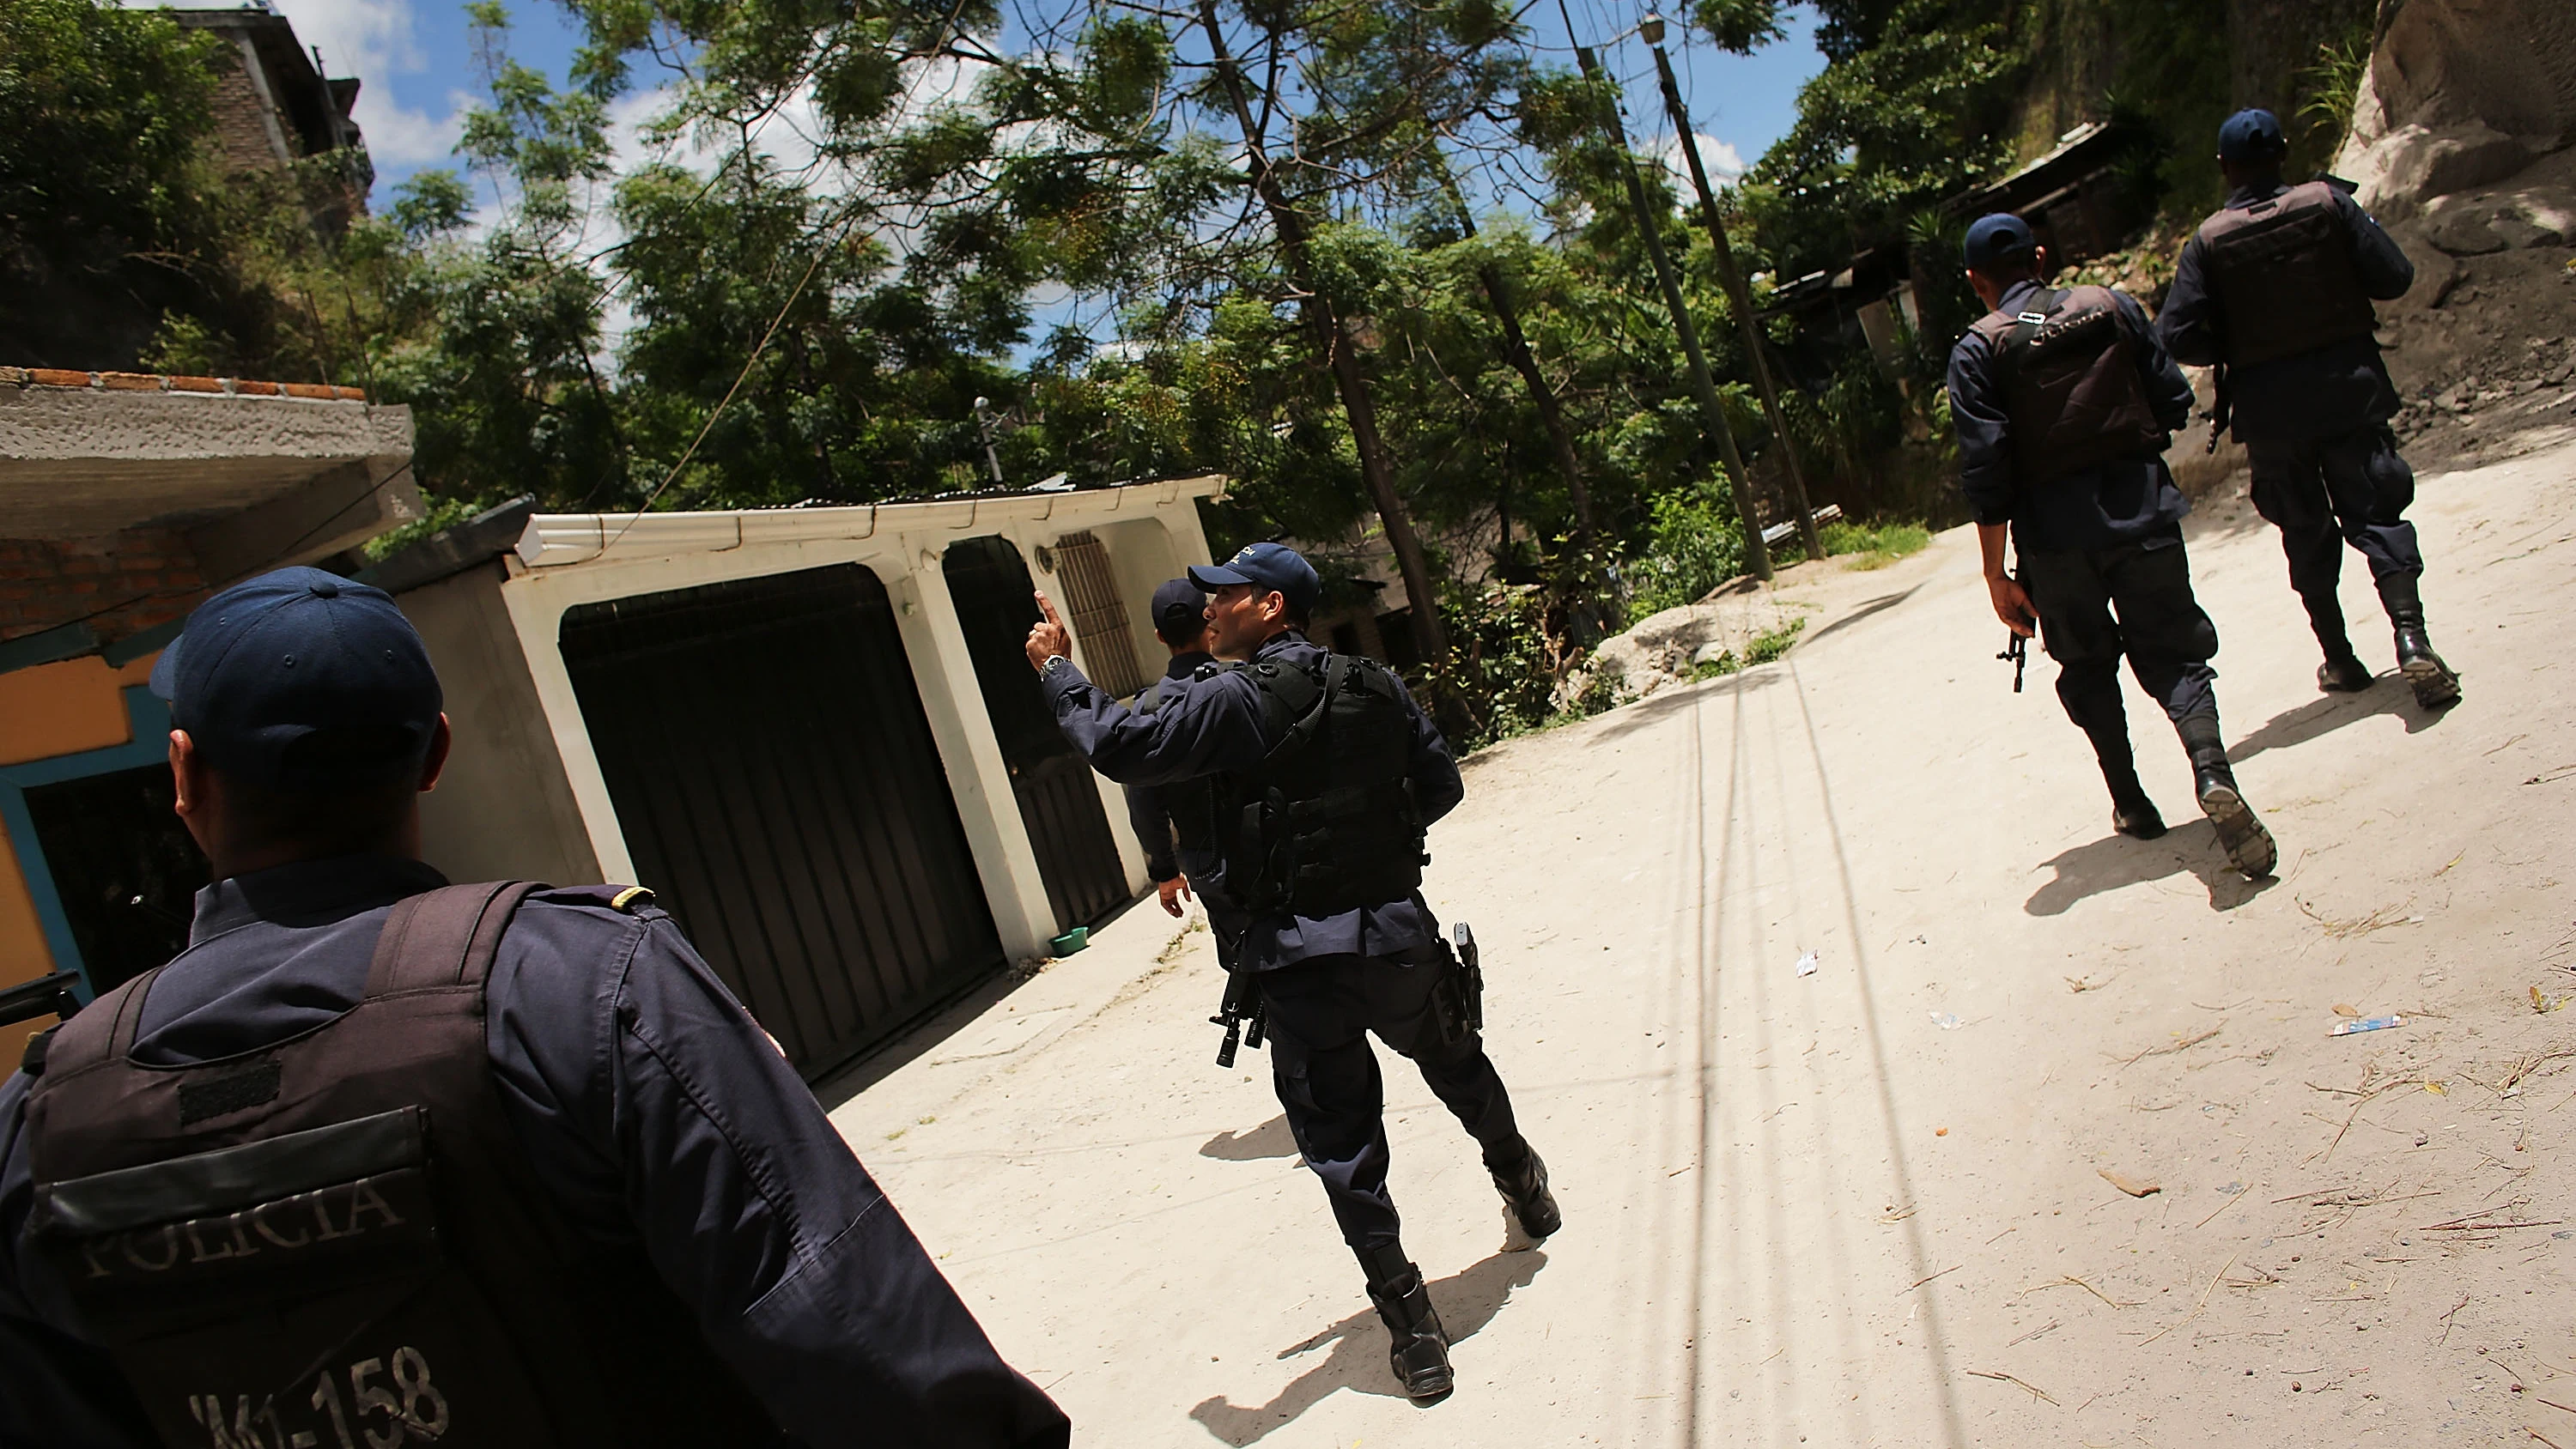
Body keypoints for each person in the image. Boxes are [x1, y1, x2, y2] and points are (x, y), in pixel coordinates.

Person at [0, 567, 1068, 1449]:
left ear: (183, 774)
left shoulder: (43, 1114)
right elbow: (864, 1341)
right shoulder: (577, 984)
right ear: (435, 753)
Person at [1022, 543, 1556, 1404]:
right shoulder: (1376, 683)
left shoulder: (1232, 698)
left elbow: (1117, 744)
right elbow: (1442, 785)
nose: (1210, 612)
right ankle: (1524, 1183)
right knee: (1458, 1060)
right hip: (1395, 933)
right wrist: (1370, 846)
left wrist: (1059, 673)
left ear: (1270, 606)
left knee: (1344, 1146)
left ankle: (1415, 1329)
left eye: (1223, 599)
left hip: (1300, 963)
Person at [1947, 213, 2277, 878]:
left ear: (1974, 281)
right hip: (2142, 514)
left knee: (2089, 667)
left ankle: (2131, 802)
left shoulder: (1979, 350)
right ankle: (2213, 773)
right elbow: (2174, 398)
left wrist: (1995, 576)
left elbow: (1988, 475)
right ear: (2040, 257)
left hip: (2054, 544)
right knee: (2177, 656)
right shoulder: (2112, 307)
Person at [2157, 107, 2459, 709]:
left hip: (2271, 413)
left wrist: (2239, 342)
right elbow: (2396, 276)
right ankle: (2411, 638)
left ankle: (2342, 659)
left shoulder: (2209, 240)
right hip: (2349, 389)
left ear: (2224, 169)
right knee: (2378, 513)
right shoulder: (2328, 204)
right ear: (2283, 152)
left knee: (2304, 530)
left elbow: (2176, 333)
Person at [1121, 578, 1242, 949]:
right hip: (1266, 839)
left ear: (1159, 636)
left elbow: (1143, 798)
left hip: (1204, 858)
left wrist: (1164, 867)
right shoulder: (1243, 680)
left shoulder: (1147, 708)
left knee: (1241, 955)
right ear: (1209, 623)